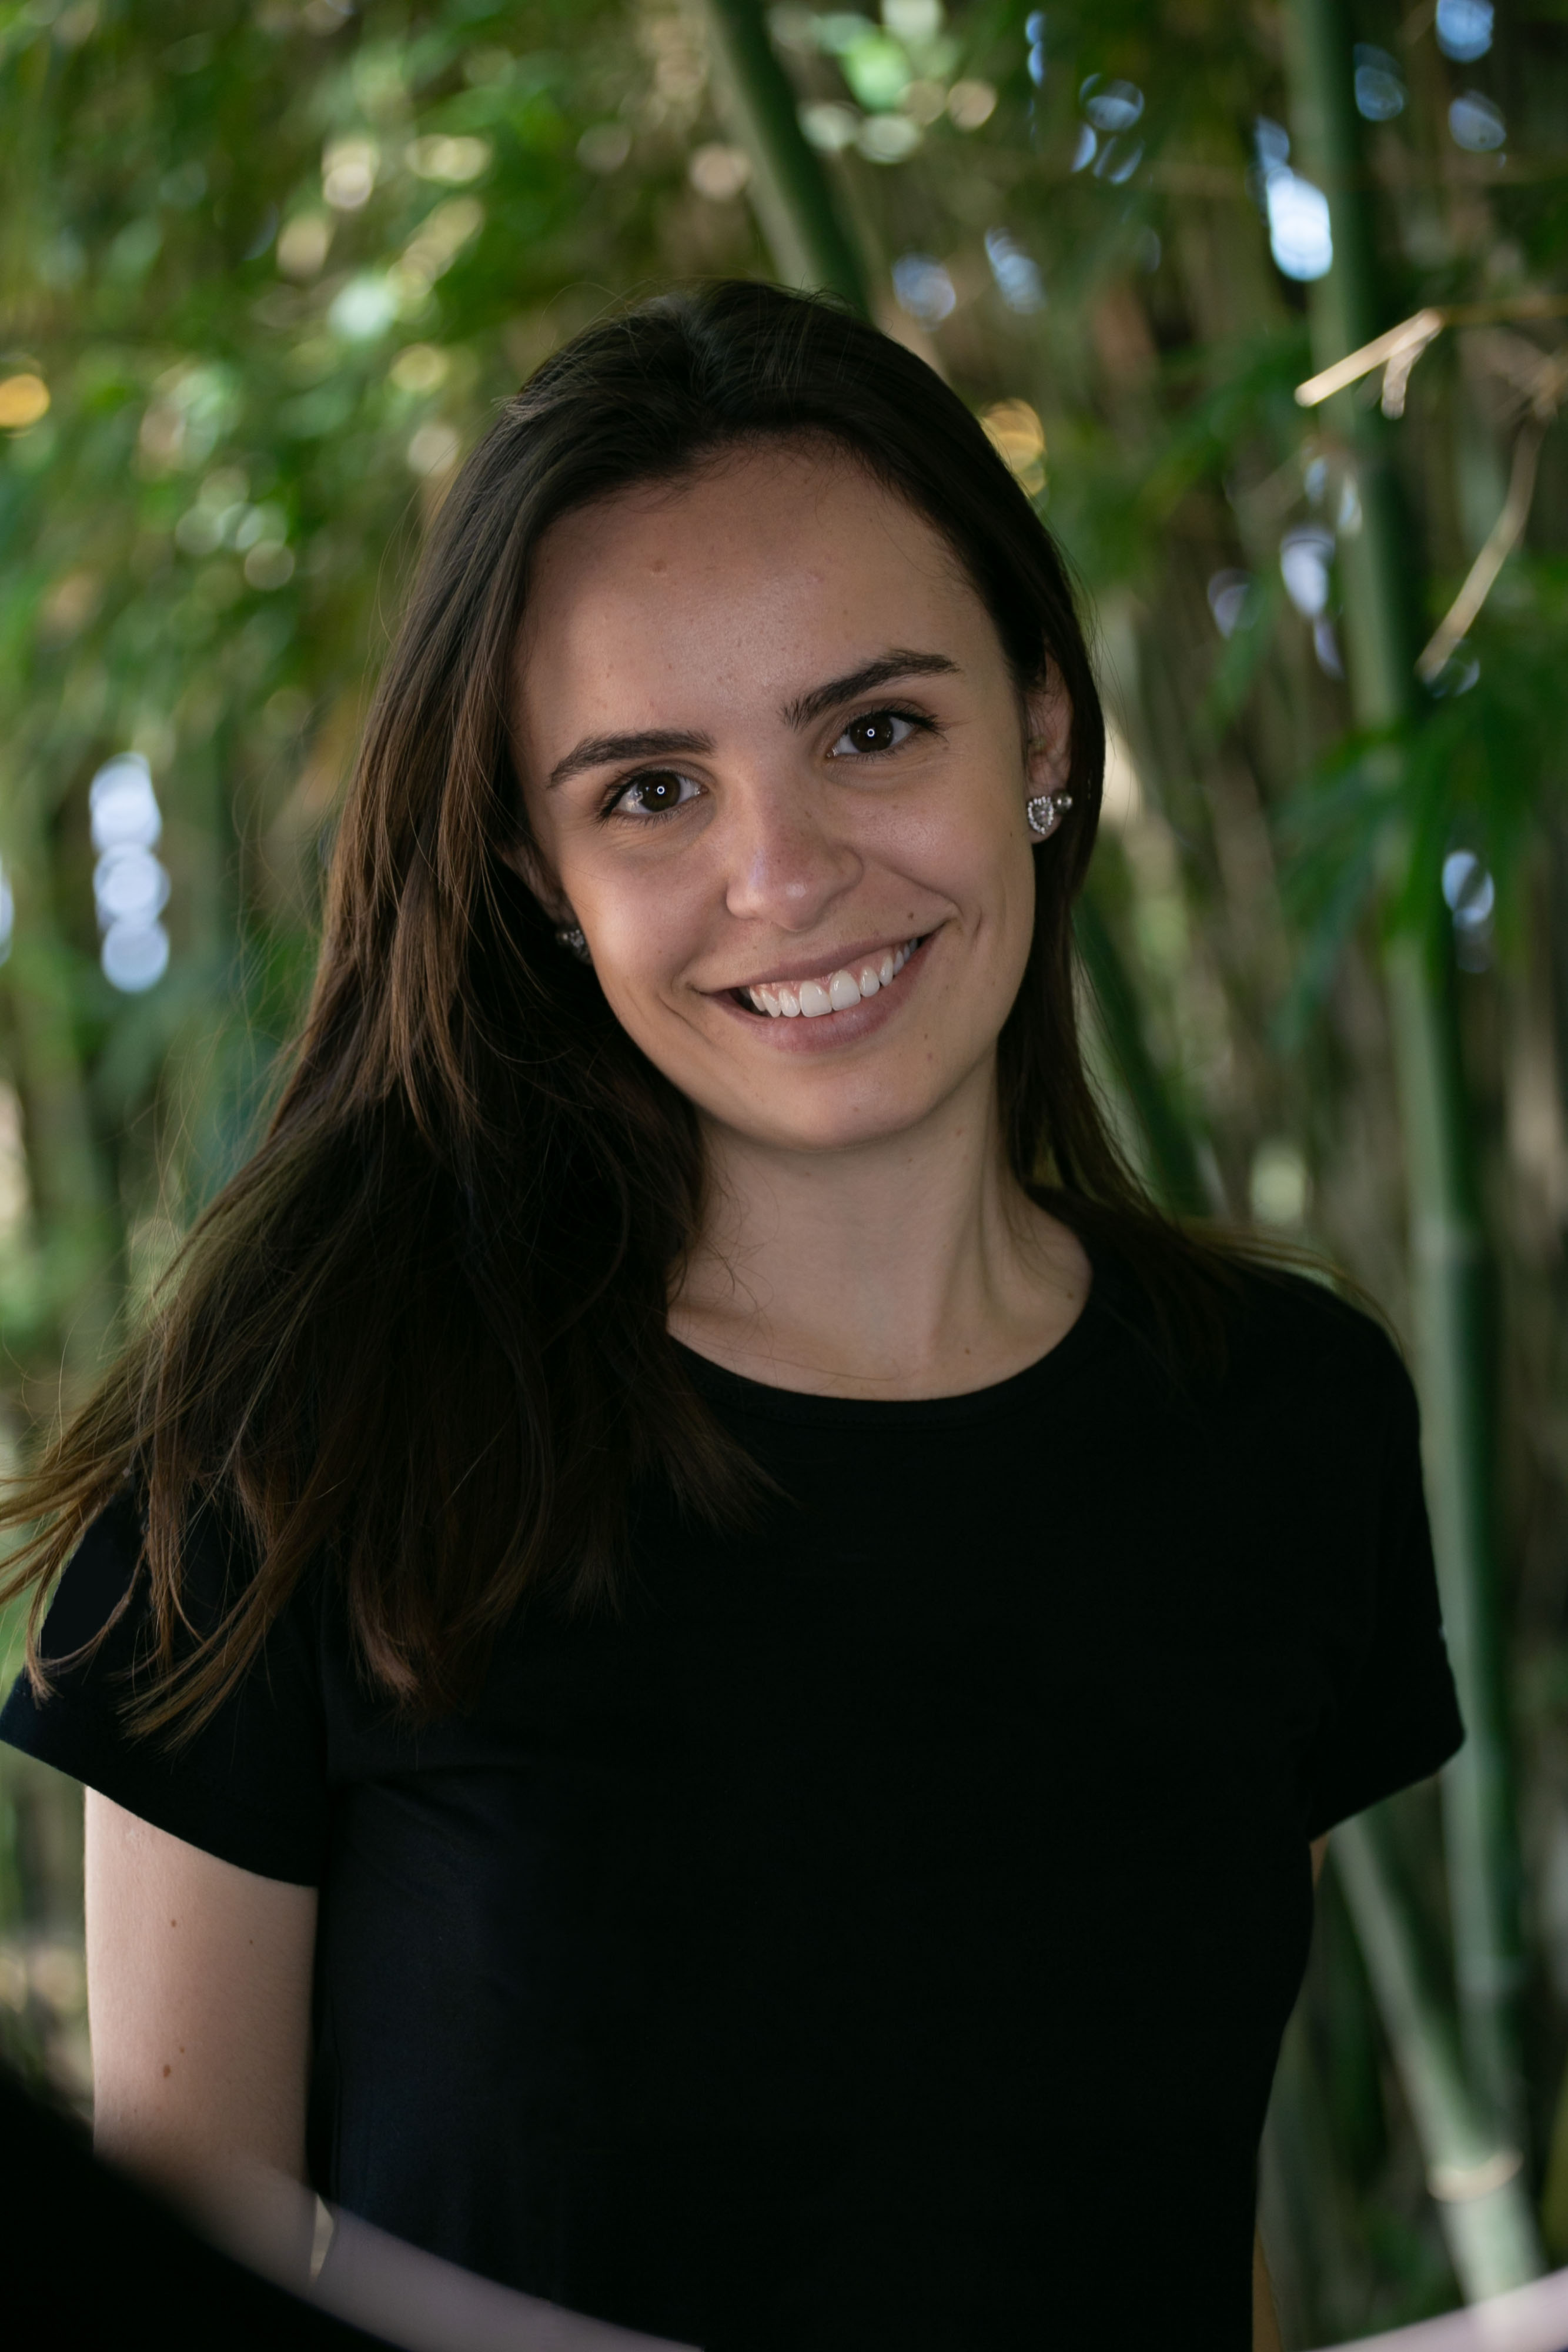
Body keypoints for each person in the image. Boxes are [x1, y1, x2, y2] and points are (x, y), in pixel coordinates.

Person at [0, 281, 1462, 2350]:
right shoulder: (295, 1441)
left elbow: (1155, 2204)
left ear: (1039, 732)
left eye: (873, 730)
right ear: (532, 866)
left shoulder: (1280, 1422)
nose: (782, 878)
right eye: (649, 792)